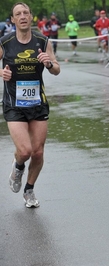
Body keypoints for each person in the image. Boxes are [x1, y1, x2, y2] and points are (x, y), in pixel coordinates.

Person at [0, 2, 60, 208]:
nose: (23, 16)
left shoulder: (43, 41)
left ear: (31, 17)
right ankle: (18, 167)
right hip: (13, 104)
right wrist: (2, 73)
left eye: (26, 12)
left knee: (38, 152)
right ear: (14, 20)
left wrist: (49, 64)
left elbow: (56, 69)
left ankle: (29, 190)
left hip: (38, 103)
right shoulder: (5, 42)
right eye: (18, 14)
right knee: (24, 151)